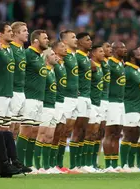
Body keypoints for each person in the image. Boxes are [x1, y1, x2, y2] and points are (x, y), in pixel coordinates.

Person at [17, 30, 49, 170]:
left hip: (39, 99)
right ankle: (18, 163)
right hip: (29, 98)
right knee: (25, 131)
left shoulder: (39, 56)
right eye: (45, 38)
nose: (47, 40)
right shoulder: (27, 54)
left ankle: (29, 165)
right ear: (35, 40)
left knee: (34, 132)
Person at [33, 48, 60, 174]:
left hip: (53, 106)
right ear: (46, 58)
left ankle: (47, 166)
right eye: (53, 54)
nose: (56, 56)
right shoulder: (44, 72)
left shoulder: (53, 72)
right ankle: (37, 166)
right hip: (45, 106)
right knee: (41, 135)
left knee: (50, 137)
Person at [120, 48, 140, 173]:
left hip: (139, 109)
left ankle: (131, 165)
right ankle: (124, 165)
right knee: (128, 136)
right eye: (139, 55)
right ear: (132, 58)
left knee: (135, 137)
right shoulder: (127, 71)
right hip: (129, 108)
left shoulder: (137, 71)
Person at [103, 41, 127, 172]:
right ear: (114, 50)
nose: (125, 49)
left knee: (117, 134)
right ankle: (108, 165)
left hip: (120, 103)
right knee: (109, 133)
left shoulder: (121, 64)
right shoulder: (109, 64)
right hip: (111, 102)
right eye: (122, 48)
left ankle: (114, 162)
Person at [58, 30, 80, 172]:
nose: (76, 39)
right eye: (73, 37)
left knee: (67, 132)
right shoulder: (62, 56)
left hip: (74, 97)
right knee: (60, 131)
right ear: (64, 41)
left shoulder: (73, 56)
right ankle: (54, 163)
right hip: (64, 97)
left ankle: (60, 164)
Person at [73, 32, 93, 172]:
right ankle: (74, 164)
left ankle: (81, 164)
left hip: (87, 97)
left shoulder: (86, 58)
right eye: (87, 40)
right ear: (80, 43)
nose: (90, 42)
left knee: (84, 131)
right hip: (79, 97)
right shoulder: (77, 57)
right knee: (77, 130)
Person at [84, 45, 104, 172]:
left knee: (96, 134)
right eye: (100, 51)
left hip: (98, 103)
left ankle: (92, 163)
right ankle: (84, 164)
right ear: (94, 53)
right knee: (88, 133)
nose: (103, 53)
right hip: (90, 102)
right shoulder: (91, 66)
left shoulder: (100, 67)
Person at [50, 41, 69, 172]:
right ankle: (50, 164)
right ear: (55, 51)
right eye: (62, 47)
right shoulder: (54, 64)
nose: (65, 49)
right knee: (54, 133)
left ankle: (58, 164)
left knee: (62, 132)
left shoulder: (62, 64)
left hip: (63, 101)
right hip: (55, 101)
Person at [9, 22, 28, 139]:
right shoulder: (10, 48)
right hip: (12, 91)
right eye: (24, 31)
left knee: (17, 128)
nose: (27, 33)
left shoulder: (23, 50)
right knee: (10, 126)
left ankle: (12, 155)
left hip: (22, 92)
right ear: (16, 33)